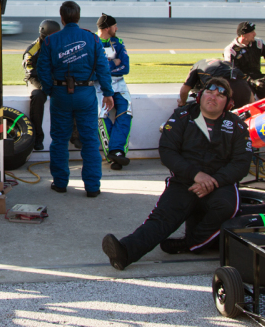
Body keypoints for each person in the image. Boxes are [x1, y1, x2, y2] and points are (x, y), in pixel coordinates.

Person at [102, 77, 251, 269]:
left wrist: (212, 181)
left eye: (220, 95)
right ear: (199, 96)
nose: (213, 97)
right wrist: (196, 175)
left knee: (227, 207)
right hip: (185, 181)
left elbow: (241, 163)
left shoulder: (237, 126)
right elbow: (167, 151)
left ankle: (190, 244)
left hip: (220, 184)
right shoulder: (181, 116)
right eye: (209, 91)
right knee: (161, 219)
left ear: (228, 104)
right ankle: (125, 252)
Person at [36, 1, 114, 197]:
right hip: (85, 95)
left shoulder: (50, 40)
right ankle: (93, 187)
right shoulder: (92, 39)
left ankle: (61, 183)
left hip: (60, 94)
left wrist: (50, 90)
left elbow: (42, 70)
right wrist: (108, 93)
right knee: (89, 140)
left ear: (62, 18)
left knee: (60, 140)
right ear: (77, 17)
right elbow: (103, 68)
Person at [96, 14, 131, 169]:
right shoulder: (92, 42)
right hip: (99, 85)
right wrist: (113, 62)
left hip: (119, 84)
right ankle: (115, 155)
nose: (117, 28)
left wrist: (105, 64)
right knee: (101, 115)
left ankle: (116, 151)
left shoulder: (118, 42)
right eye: (115, 26)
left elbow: (125, 67)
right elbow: (94, 71)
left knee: (127, 112)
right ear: (107, 28)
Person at [22, 20, 60, 152]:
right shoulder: (32, 50)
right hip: (36, 80)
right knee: (37, 96)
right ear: (45, 35)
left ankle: (75, 135)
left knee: (74, 92)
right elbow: (30, 70)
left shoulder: (59, 45)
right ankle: (37, 137)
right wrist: (46, 85)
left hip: (53, 80)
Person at [223, 21, 265, 101]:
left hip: (259, 79)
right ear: (243, 35)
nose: (255, 34)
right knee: (248, 100)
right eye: (252, 32)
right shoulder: (230, 50)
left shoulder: (259, 43)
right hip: (241, 82)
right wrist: (251, 81)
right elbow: (232, 71)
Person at [178, 57, 253, 110]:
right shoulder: (223, 63)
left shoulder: (196, 66)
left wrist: (182, 103)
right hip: (243, 86)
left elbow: (184, 90)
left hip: (224, 86)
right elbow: (245, 86)